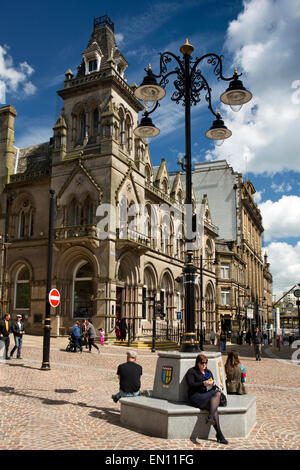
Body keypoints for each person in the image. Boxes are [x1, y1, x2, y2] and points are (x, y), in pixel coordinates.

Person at [185, 354, 228, 445]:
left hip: (206, 395)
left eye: (205, 363)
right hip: (195, 395)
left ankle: (212, 419)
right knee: (214, 407)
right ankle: (219, 434)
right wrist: (203, 383)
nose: (204, 365)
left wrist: (212, 384)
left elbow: (212, 388)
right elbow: (191, 385)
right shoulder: (192, 372)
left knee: (217, 394)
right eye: (202, 363)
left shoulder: (208, 372)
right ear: (197, 363)